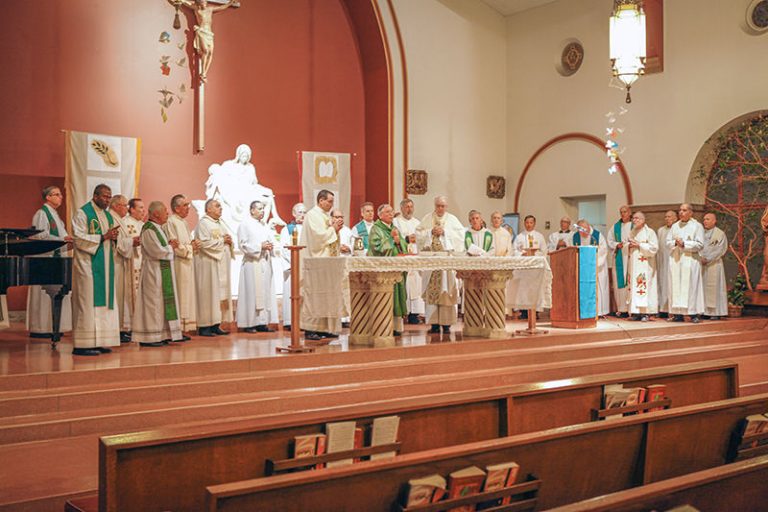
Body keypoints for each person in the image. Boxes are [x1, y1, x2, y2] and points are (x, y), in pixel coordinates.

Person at [70, 184, 121, 356]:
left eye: (109, 197)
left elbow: (111, 238)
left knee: (103, 305)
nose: (107, 200)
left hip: (105, 267)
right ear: (95, 196)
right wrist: (104, 236)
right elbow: (78, 238)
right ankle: (82, 345)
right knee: (87, 304)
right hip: (87, 268)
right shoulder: (83, 213)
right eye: (105, 196)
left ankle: (99, 341)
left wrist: (114, 238)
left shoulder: (107, 215)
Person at [132, 201, 184, 347]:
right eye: (165, 211)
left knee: (161, 304)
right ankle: (150, 337)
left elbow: (161, 247)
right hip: (153, 272)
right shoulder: (148, 229)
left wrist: (168, 244)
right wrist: (171, 246)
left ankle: (163, 334)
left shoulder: (158, 228)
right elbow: (156, 251)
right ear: (156, 214)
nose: (167, 213)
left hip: (162, 271)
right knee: (153, 304)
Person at [26, 186, 73, 338]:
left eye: (60, 194)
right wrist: (62, 239)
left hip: (54, 260)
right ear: (48, 197)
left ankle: (55, 326)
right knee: (44, 295)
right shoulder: (42, 214)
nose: (61, 197)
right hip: (44, 261)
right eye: (57, 194)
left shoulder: (55, 216)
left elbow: (61, 236)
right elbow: (39, 236)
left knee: (56, 293)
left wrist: (68, 242)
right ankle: (41, 327)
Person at [416, 195, 465, 334]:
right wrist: (430, 232)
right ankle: (434, 324)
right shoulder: (427, 218)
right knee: (432, 293)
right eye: (438, 205)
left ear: (446, 206)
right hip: (432, 264)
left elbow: (460, 235)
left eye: (443, 206)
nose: (440, 208)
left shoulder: (452, 220)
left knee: (446, 292)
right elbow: (418, 233)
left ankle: (447, 324)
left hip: (446, 265)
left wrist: (445, 232)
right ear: (434, 205)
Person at [299, 190, 344, 340]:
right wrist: (333, 229)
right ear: (321, 201)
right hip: (315, 262)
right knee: (314, 295)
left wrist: (336, 231)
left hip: (325, 263)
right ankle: (310, 328)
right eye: (330, 201)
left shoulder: (324, 216)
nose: (332, 204)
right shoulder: (313, 215)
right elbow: (318, 238)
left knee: (326, 295)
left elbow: (329, 237)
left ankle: (323, 328)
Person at [168, 0, 236, 83]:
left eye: (205, 2)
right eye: (202, 2)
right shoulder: (196, 9)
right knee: (205, 51)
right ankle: (203, 72)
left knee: (210, 52)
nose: (204, 3)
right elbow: (185, 3)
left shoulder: (210, 9)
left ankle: (204, 73)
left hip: (209, 34)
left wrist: (229, 3)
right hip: (202, 32)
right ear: (199, 3)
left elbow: (221, 7)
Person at [194, 199, 234, 336]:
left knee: (218, 295)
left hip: (219, 265)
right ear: (208, 209)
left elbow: (224, 240)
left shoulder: (220, 223)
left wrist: (228, 241)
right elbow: (203, 244)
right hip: (208, 264)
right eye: (217, 206)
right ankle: (205, 326)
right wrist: (223, 240)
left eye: (221, 206)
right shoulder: (203, 223)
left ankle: (216, 324)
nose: (220, 208)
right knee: (208, 295)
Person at [368, 204, 408, 336]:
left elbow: (403, 244)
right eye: (387, 212)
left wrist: (398, 242)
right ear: (380, 215)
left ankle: (396, 327)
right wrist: (391, 240)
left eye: (392, 212)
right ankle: (384, 325)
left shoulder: (394, 228)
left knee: (397, 294)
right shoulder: (376, 229)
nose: (391, 214)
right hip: (383, 270)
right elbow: (376, 247)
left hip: (396, 267)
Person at [237, 201, 276, 333]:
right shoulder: (245, 225)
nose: (262, 211)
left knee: (264, 292)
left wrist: (271, 246)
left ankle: (262, 322)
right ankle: (249, 323)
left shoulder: (264, 225)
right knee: (252, 293)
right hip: (252, 263)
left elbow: (270, 240)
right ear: (252, 210)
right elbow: (242, 244)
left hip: (264, 262)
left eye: (263, 209)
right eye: (259, 209)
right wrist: (260, 247)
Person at [164, 194, 199, 338]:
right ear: (176, 208)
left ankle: (183, 328)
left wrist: (194, 245)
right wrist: (190, 248)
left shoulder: (183, 223)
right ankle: (175, 330)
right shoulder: (170, 222)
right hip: (177, 264)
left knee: (186, 295)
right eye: (185, 205)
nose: (188, 208)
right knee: (179, 294)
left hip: (186, 263)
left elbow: (185, 243)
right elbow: (174, 245)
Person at [666, 203, 705, 323]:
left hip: (690, 260)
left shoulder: (697, 226)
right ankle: (677, 313)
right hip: (676, 260)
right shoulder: (675, 226)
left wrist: (685, 244)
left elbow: (700, 244)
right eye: (680, 210)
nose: (681, 212)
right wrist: (675, 242)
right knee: (675, 286)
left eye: (684, 210)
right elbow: (667, 242)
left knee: (691, 287)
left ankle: (693, 314)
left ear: (691, 212)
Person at [109, 195, 139, 343]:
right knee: (117, 296)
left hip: (120, 262)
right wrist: (132, 241)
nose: (126, 208)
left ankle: (120, 329)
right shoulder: (112, 219)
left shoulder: (118, 219)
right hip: (115, 262)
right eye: (124, 205)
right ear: (115, 206)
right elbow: (118, 243)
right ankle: (117, 329)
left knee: (121, 296)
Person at [393, 198, 424, 324]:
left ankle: (414, 314)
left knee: (416, 284)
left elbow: (422, 238)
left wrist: (419, 239)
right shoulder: (395, 222)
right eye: (406, 206)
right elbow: (395, 237)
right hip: (402, 256)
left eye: (411, 206)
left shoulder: (418, 222)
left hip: (415, 256)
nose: (409, 209)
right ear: (401, 208)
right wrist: (406, 239)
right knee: (405, 284)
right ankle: (403, 312)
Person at [572, 219, 610, 316]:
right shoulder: (575, 237)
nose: (583, 233)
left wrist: (594, 264)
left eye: (585, 229)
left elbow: (603, 250)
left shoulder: (597, 236)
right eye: (581, 230)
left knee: (598, 289)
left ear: (589, 227)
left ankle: (600, 312)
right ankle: (583, 312)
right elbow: (571, 250)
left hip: (597, 267)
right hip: (581, 269)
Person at [626, 212, 658, 321]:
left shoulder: (650, 232)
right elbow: (627, 246)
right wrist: (628, 245)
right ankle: (635, 312)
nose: (634, 220)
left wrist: (639, 245)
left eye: (637, 218)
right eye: (633, 218)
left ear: (643, 220)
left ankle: (645, 313)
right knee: (634, 287)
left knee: (645, 286)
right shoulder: (632, 232)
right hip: (634, 265)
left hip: (645, 264)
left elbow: (654, 248)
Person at [700, 212, 728, 320]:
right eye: (704, 219)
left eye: (707, 219)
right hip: (701, 264)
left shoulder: (720, 234)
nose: (705, 221)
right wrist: (700, 257)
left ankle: (715, 312)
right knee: (702, 287)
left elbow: (721, 249)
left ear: (714, 221)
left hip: (714, 264)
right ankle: (703, 310)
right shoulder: (700, 233)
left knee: (715, 287)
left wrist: (708, 259)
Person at [607, 205, 633, 317]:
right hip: (619, 257)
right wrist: (617, 244)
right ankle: (621, 309)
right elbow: (610, 240)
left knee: (630, 282)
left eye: (625, 211)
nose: (623, 214)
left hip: (631, 257)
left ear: (630, 212)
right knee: (619, 283)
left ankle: (631, 309)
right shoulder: (615, 227)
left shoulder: (635, 226)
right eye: (621, 212)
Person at [656, 210, 678, 318]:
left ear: (675, 218)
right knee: (662, 284)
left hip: (675, 262)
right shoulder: (661, 230)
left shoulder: (678, 229)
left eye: (669, 217)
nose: (667, 219)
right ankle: (663, 309)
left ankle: (673, 310)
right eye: (665, 217)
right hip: (663, 262)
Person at [124, 198, 146, 303]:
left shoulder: (143, 225)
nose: (143, 210)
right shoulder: (125, 223)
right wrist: (134, 241)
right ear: (132, 209)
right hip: (131, 261)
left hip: (143, 261)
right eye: (140, 207)